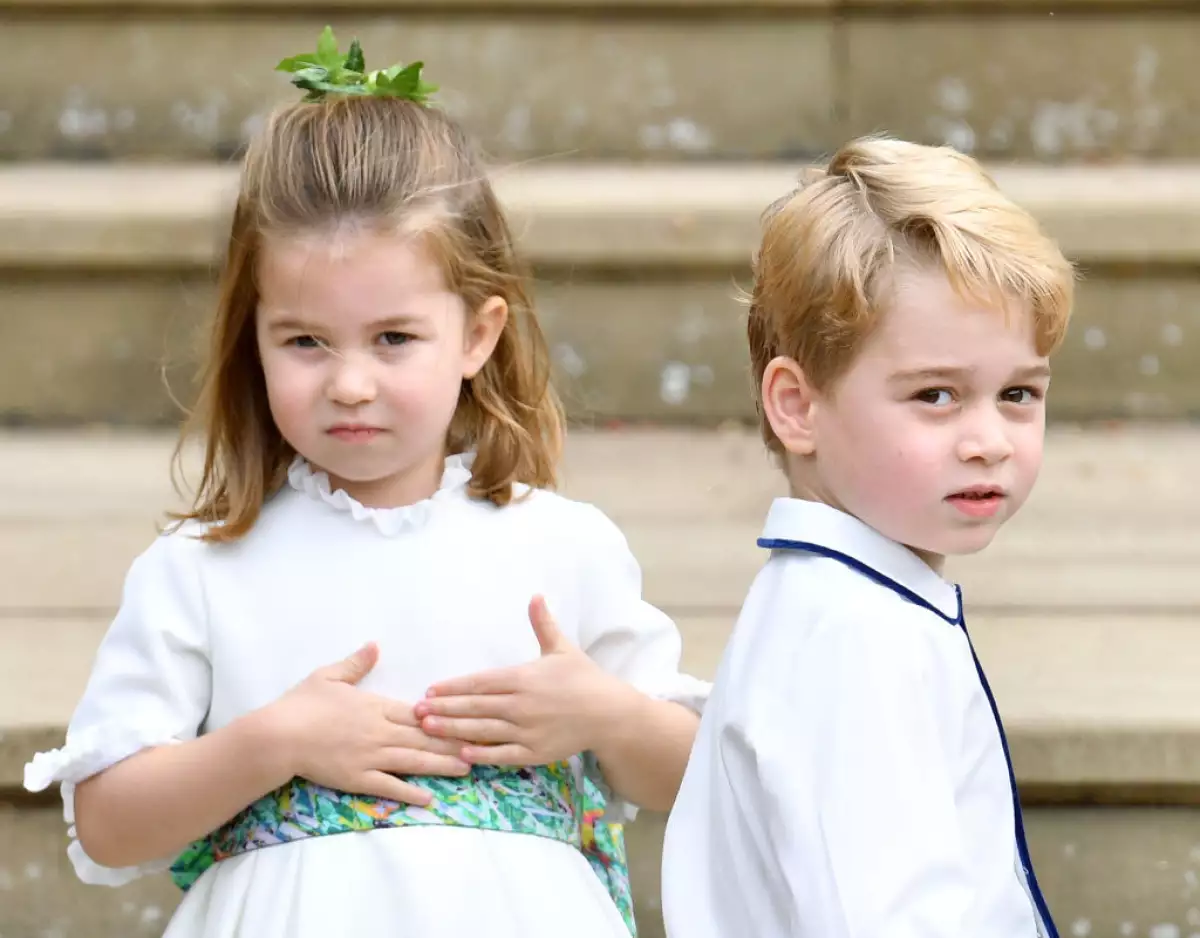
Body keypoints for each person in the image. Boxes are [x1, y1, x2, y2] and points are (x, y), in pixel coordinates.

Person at [25, 28, 707, 938]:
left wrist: (602, 716)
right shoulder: (203, 568)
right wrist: (276, 743)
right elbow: (108, 825)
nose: (349, 382)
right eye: (305, 341)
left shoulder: (562, 545)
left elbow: (704, 781)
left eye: (393, 338)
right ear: (253, 339)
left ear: (476, 334)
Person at [660, 136, 1075, 938]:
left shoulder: (848, 607)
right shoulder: (854, 639)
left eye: (1017, 392)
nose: (988, 438)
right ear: (798, 406)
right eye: (936, 395)